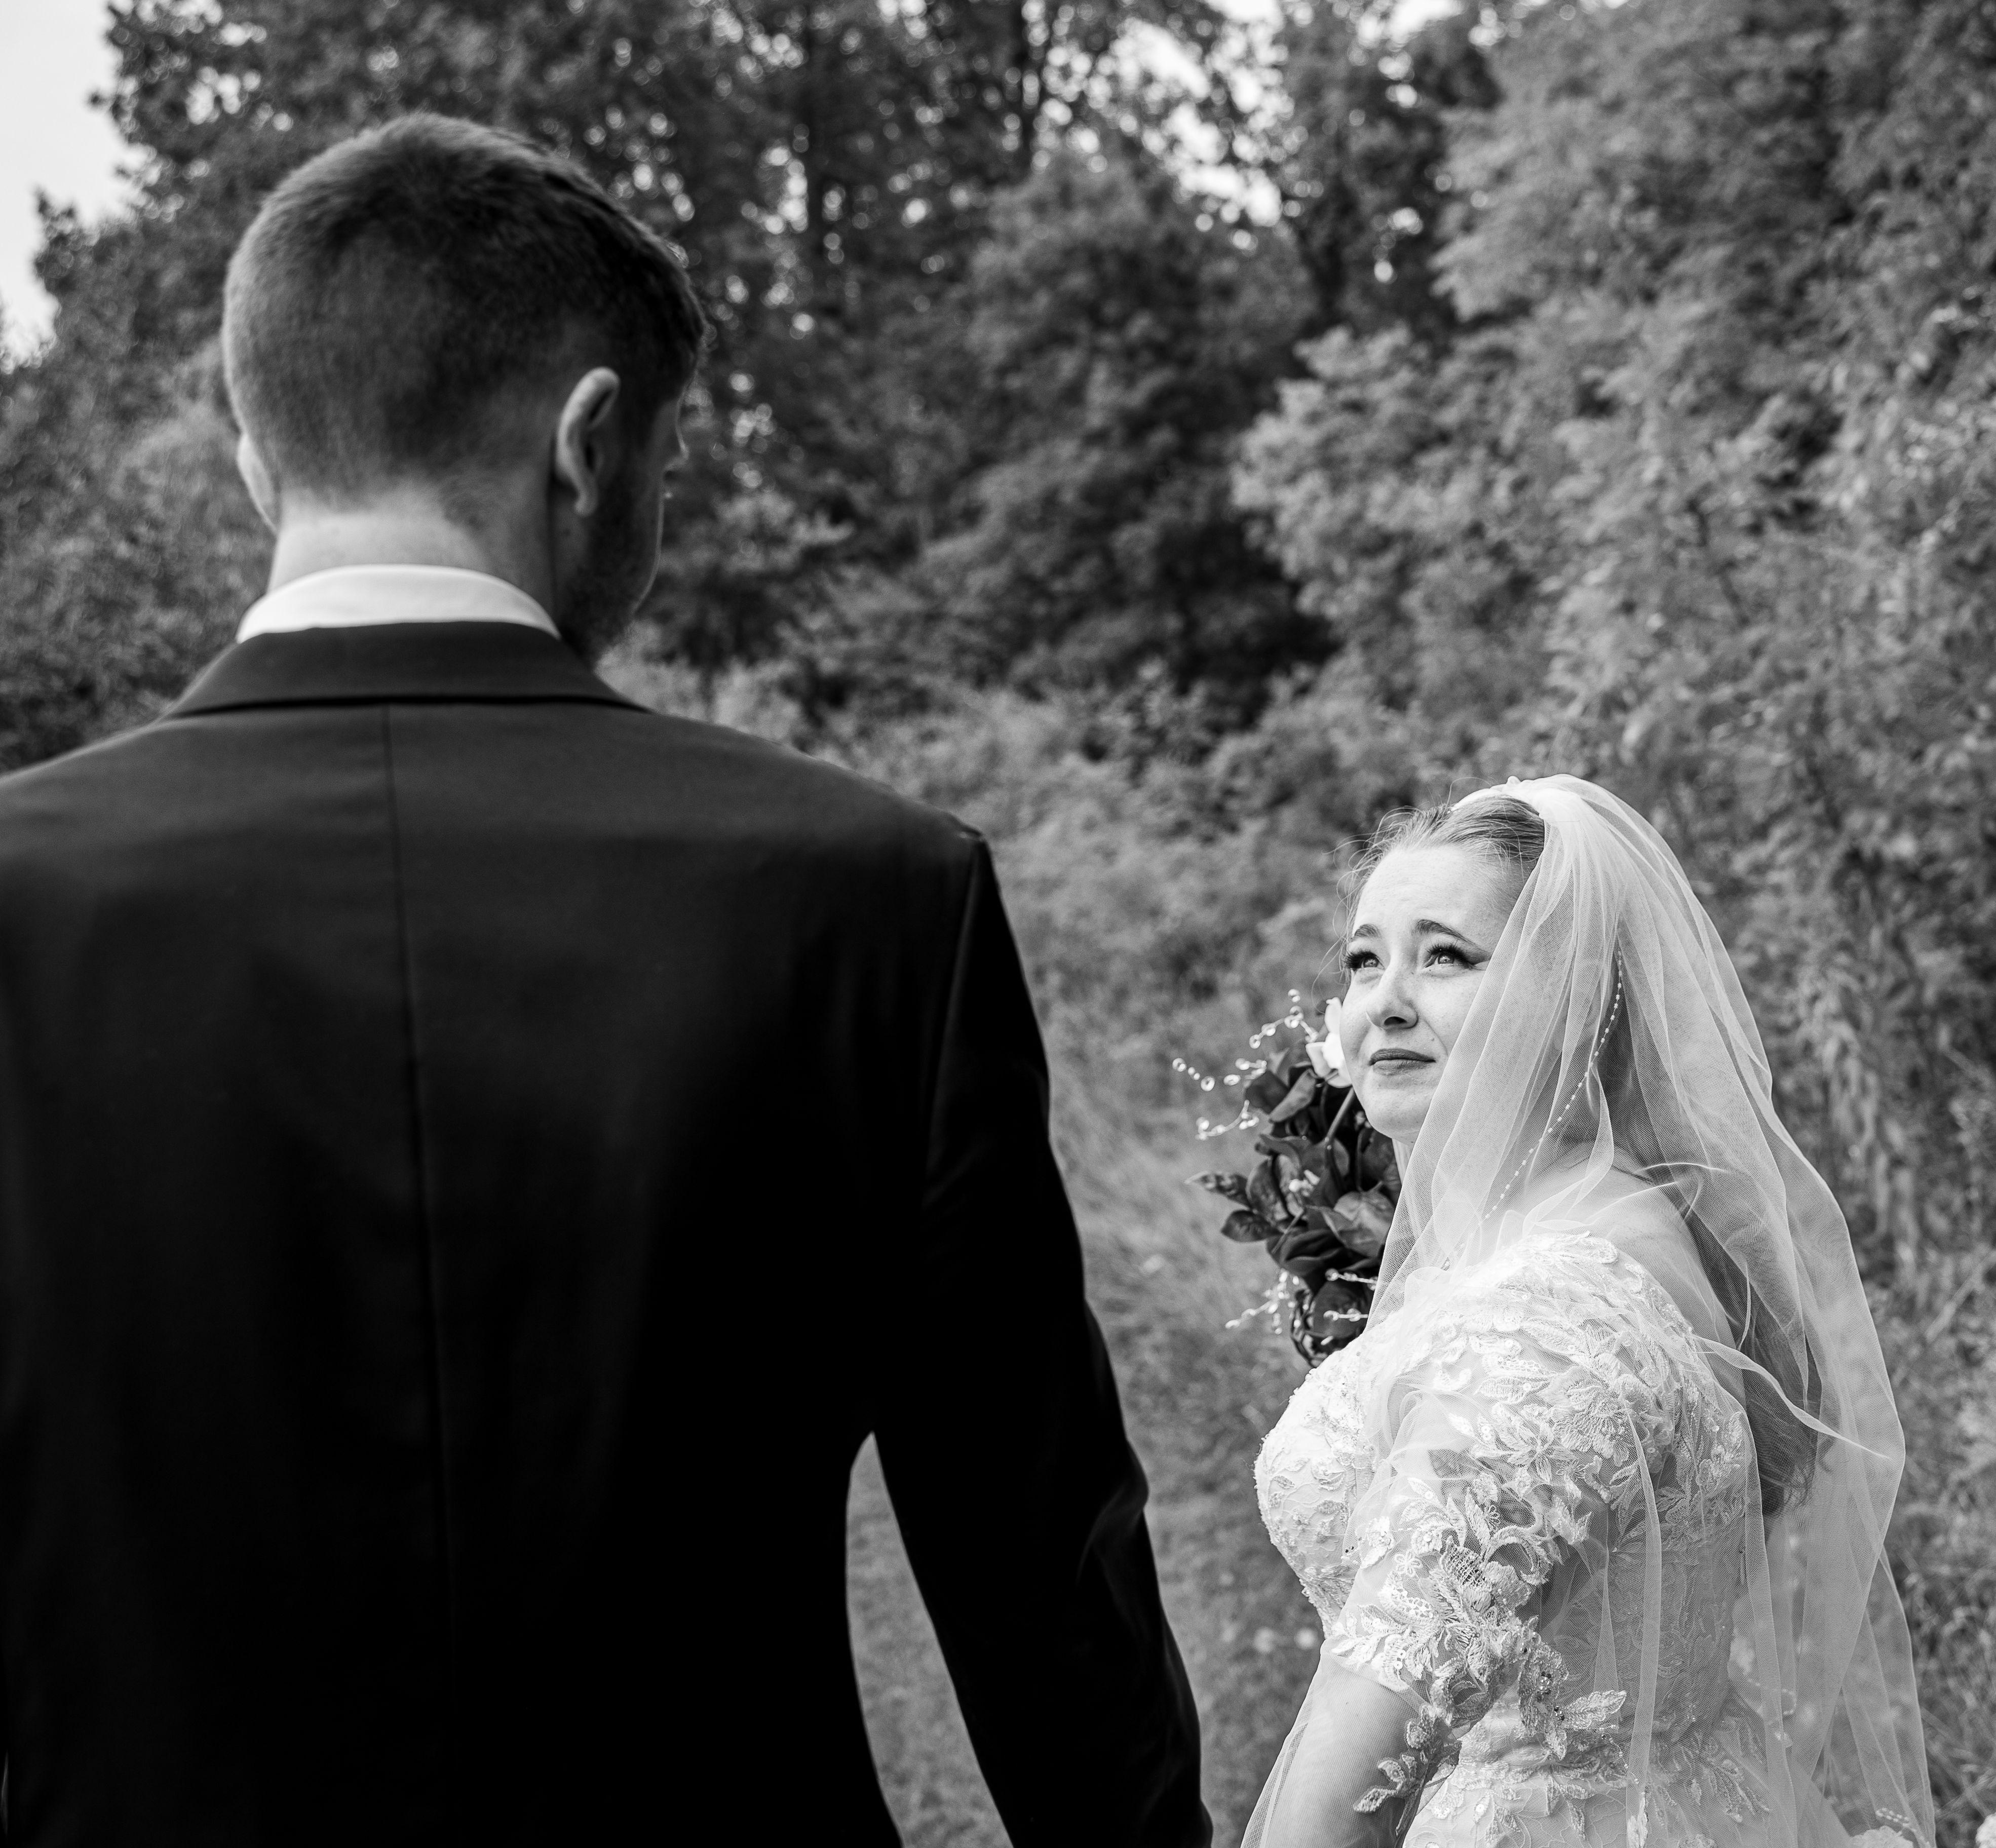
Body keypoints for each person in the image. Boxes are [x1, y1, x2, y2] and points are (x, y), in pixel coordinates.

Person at [0, 114, 1207, 1844]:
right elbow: (1039, 1575)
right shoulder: (870, 894)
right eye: (672, 456)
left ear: (258, 459)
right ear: (588, 442)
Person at [1247, 777, 1932, 1848]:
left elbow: (1342, 1800)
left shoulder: (1546, 1328)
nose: (1385, 1002)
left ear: (1568, 999)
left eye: (1446, 956)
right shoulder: (1594, 1218)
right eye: (1364, 960)